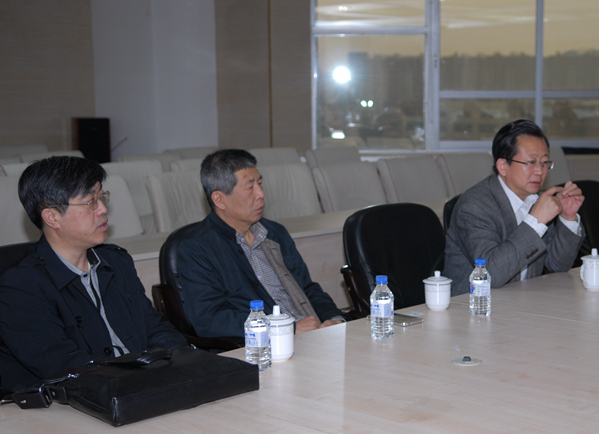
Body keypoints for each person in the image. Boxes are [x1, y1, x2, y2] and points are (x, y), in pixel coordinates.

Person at [0, 157, 186, 391]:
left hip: (141, 386)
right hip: (78, 400)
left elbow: (153, 327)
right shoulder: (21, 286)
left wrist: (183, 360)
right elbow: (63, 366)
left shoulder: (116, 261)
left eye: (101, 197)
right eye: (90, 202)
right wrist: (139, 380)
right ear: (52, 217)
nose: (103, 209)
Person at [176, 149, 344, 338]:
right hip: (264, 346)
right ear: (220, 199)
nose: (261, 194)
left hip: (313, 335)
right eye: (250, 187)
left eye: (260, 183)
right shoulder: (197, 249)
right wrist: (286, 329)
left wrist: (334, 319)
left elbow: (307, 288)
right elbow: (210, 320)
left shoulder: (275, 233)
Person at [443, 119, 585, 295]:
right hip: (475, 304)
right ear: (503, 166)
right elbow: (491, 274)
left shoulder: (537, 200)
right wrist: (536, 222)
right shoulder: (474, 207)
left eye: (544, 162)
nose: (540, 171)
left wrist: (568, 217)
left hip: (522, 300)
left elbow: (557, 266)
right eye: (531, 162)